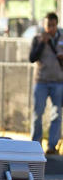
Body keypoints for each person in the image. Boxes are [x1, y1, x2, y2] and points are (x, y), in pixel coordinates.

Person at [28, 12, 63, 155]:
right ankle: (35, 145)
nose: (50, 28)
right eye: (48, 25)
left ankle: (52, 146)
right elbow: (32, 58)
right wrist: (42, 42)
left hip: (58, 81)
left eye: (53, 25)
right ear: (44, 25)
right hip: (41, 81)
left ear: (57, 25)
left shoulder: (61, 39)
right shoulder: (37, 39)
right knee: (37, 114)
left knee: (56, 115)